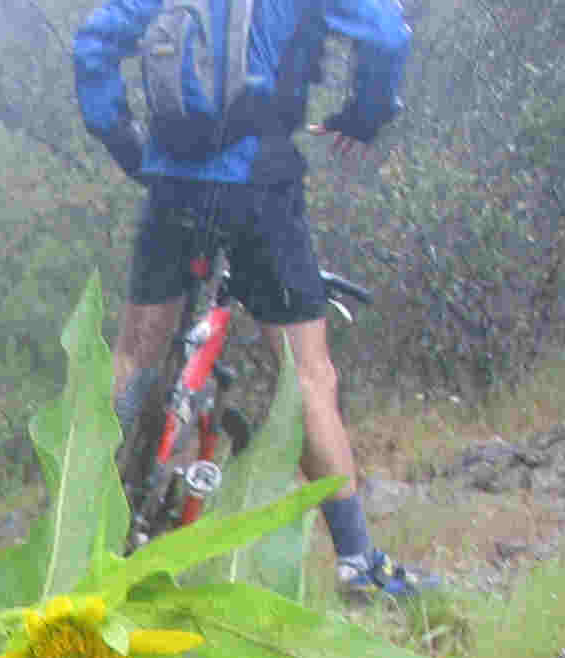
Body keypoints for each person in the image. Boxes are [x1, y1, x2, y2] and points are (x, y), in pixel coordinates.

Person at [74, 0, 438, 600]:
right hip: (260, 188)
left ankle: (84, 532)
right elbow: (385, 35)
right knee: (308, 378)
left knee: (135, 358)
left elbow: (92, 45)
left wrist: (126, 144)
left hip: (172, 185)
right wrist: (363, 115)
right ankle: (359, 564)